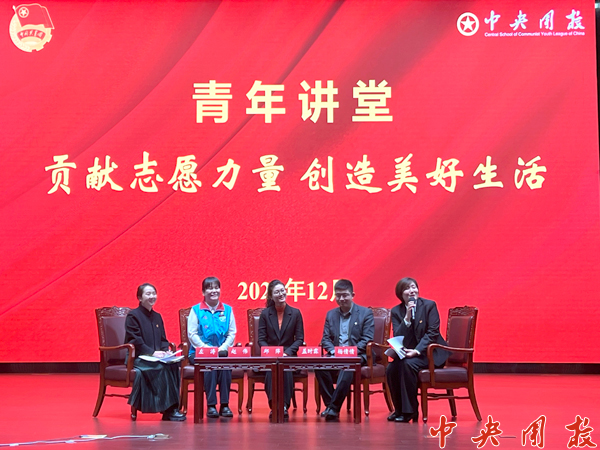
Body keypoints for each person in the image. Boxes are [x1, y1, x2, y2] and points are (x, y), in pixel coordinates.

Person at [385, 277, 449, 423]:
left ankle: (410, 411)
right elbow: (398, 336)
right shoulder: (396, 311)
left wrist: (417, 351)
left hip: (430, 354)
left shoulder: (429, 306)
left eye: (414, 287)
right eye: (407, 288)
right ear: (400, 294)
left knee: (407, 365)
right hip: (409, 354)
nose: (412, 291)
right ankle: (399, 409)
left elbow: (432, 333)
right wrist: (407, 318)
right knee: (391, 368)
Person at [315, 279, 374, 421]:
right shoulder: (331, 314)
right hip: (335, 355)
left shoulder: (365, 313)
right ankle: (331, 406)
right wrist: (333, 352)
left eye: (345, 295)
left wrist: (350, 352)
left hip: (357, 355)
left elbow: (367, 339)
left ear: (352, 295)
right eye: (338, 295)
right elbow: (325, 339)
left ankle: (333, 408)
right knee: (319, 366)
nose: (341, 299)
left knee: (348, 366)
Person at [125, 283, 185, 421]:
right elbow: (135, 340)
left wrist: (165, 351)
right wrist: (152, 353)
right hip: (138, 357)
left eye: (154, 293)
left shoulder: (157, 316)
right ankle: (167, 409)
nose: (152, 296)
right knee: (160, 367)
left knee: (173, 365)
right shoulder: (133, 316)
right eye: (148, 294)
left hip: (155, 357)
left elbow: (163, 339)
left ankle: (172, 408)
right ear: (140, 298)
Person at [187, 276, 236, 418]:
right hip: (199, 352)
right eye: (209, 288)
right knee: (209, 363)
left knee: (225, 363)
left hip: (222, 351)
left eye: (216, 287)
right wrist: (206, 348)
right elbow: (192, 334)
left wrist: (223, 348)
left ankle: (225, 405)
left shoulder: (228, 310)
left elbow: (232, 333)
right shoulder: (196, 310)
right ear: (203, 292)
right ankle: (211, 405)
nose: (214, 291)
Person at [258, 279, 304, 419]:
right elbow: (261, 339)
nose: (281, 294)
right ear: (271, 296)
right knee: (272, 367)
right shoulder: (265, 314)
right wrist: (271, 353)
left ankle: (283, 406)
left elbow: (299, 339)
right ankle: (274, 405)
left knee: (285, 366)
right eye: (277, 292)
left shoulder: (295, 313)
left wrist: (287, 353)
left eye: (282, 291)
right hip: (270, 356)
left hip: (288, 355)